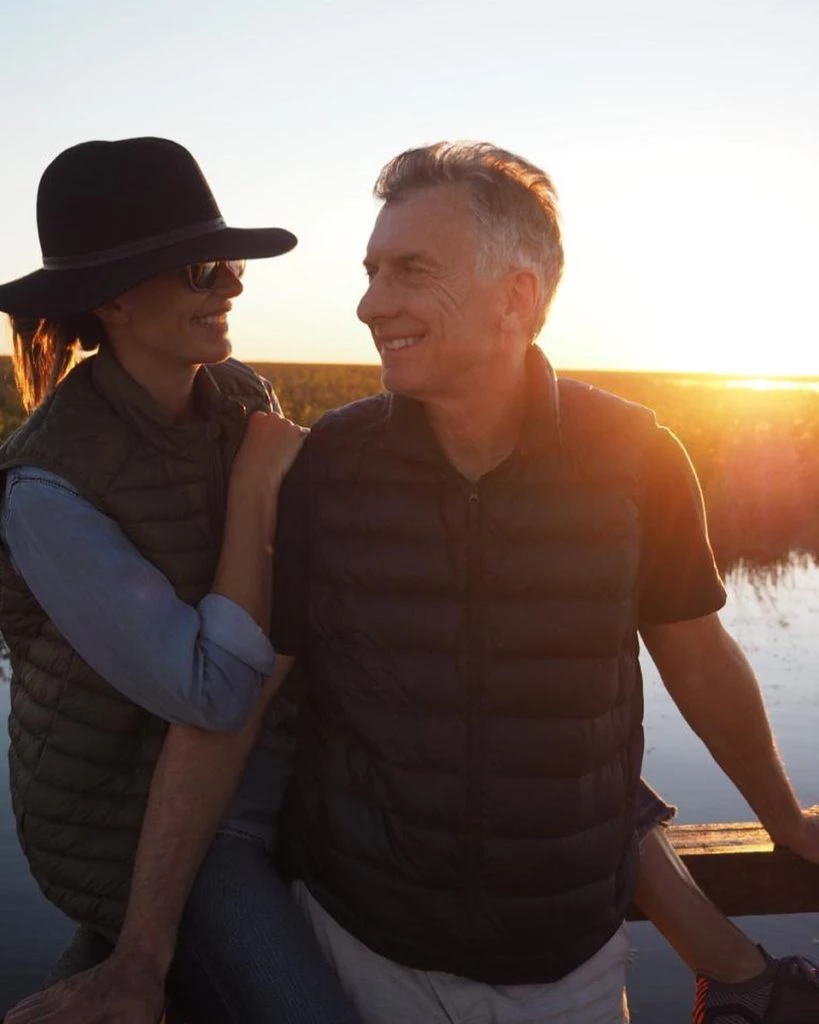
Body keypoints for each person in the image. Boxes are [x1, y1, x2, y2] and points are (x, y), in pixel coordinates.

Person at [6, 142, 819, 1024]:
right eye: (370, 272)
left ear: (517, 296)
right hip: (291, 906)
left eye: (410, 271)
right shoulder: (306, 467)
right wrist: (142, 949)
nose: (366, 304)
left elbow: (686, 659)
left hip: (569, 966)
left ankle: (733, 970)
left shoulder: (635, 457)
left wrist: (784, 820)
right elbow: (231, 699)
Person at [0, 137, 362, 1023]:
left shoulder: (239, 395)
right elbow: (212, 691)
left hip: (266, 774)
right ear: (114, 299)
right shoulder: (47, 489)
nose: (231, 286)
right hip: (133, 828)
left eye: (231, 265)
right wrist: (254, 490)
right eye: (203, 270)